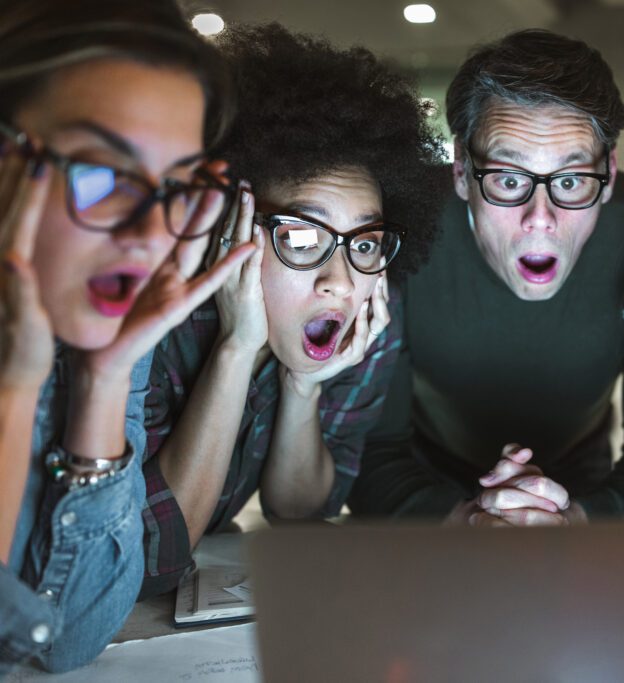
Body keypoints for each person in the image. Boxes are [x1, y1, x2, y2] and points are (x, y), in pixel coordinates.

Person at [139, 24, 447, 597]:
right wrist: (236, 348)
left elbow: (300, 513)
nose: (340, 281)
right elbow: (150, 558)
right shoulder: (154, 315)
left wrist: (302, 387)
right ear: (233, 227)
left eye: (364, 242)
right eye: (302, 238)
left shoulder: (370, 309)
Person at [0, 0, 254, 673]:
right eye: (103, 176)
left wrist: (106, 378)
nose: (148, 234)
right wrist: (12, 396)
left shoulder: (71, 334)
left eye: (176, 186)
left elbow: (68, 638)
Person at [348, 29, 624, 525]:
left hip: (590, 488)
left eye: (572, 180)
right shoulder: (394, 231)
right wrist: (463, 519)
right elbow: (370, 452)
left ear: (610, 175)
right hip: (425, 489)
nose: (540, 218)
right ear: (463, 171)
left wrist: (580, 517)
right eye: (509, 180)